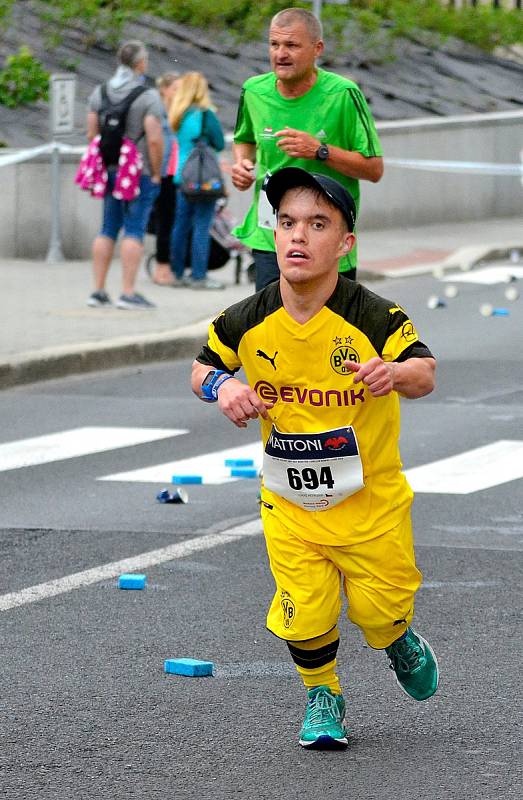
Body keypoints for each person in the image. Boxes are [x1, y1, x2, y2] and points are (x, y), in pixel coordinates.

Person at [191, 167, 439, 749]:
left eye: (317, 224)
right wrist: (220, 387)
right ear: (273, 234)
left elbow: (425, 373)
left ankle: (398, 637)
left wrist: (394, 372)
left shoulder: (373, 315)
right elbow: (203, 364)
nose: (298, 236)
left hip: (370, 502)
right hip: (290, 500)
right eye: (287, 223)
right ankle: (322, 694)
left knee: (379, 616)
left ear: (345, 243)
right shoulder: (245, 318)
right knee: (302, 610)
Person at [232, 7, 383, 292]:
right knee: (273, 329)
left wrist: (319, 151)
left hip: (326, 238)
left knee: (329, 332)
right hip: (271, 235)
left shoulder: (343, 94)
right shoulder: (253, 91)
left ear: (317, 49)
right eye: (274, 44)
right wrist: (242, 164)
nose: (280, 54)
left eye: (291, 45)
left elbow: (374, 168)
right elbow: (244, 139)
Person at [86, 40, 163, 309]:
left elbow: (92, 133)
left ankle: (97, 291)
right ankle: (128, 292)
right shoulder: (147, 96)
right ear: (140, 63)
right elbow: (154, 138)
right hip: (137, 172)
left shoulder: (101, 91)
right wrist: (155, 172)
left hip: (109, 168)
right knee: (134, 229)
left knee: (107, 228)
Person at [169, 72, 226, 290]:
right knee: (202, 225)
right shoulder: (205, 115)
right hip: (203, 178)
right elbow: (219, 143)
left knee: (181, 225)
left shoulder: (178, 114)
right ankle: (199, 276)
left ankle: (177, 273)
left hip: (181, 176)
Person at [149, 71, 180, 287]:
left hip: (177, 172)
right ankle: (161, 265)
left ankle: (170, 264)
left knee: (173, 219)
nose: (179, 93)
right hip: (163, 173)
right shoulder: (158, 112)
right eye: (175, 88)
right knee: (165, 219)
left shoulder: (177, 113)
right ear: (164, 89)